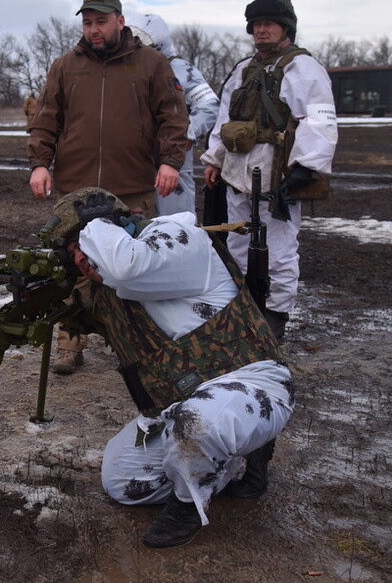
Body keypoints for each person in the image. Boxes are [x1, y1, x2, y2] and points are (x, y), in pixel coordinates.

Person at [46, 187, 293, 549]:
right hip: (179, 405)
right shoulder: (110, 289)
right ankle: (234, 463)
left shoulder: (179, 238)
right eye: (74, 256)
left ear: (116, 226)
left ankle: (188, 505)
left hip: (253, 385)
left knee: (198, 424)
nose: (84, 259)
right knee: (124, 482)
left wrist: (98, 224)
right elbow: (96, 298)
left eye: (85, 245)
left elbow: (128, 266)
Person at [26, 0, 191, 373]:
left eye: (101, 21)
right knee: (73, 266)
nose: (94, 29)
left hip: (132, 183)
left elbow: (173, 116)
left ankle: (137, 347)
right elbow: (47, 119)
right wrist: (39, 163)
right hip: (76, 189)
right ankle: (71, 343)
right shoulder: (66, 66)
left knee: (134, 268)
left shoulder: (151, 64)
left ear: (120, 21)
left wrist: (170, 162)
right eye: (87, 22)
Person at [201, 0, 337, 340]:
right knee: (236, 243)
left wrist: (306, 167)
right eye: (256, 25)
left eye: (269, 24)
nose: (261, 30)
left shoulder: (303, 69)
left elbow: (319, 119)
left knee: (279, 250)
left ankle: (275, 315)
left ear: (286, 28)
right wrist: (214, 159)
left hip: (277, 176)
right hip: (237, 173)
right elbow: (224, 120)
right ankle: (243, 307)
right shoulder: (243, 69)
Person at [125, 14, 220, 217]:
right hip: (133, 162)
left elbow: (210, 104)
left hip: (173, 162)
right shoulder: (127, 71)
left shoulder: (181, 71)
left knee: (175, 227)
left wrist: (186, 132)